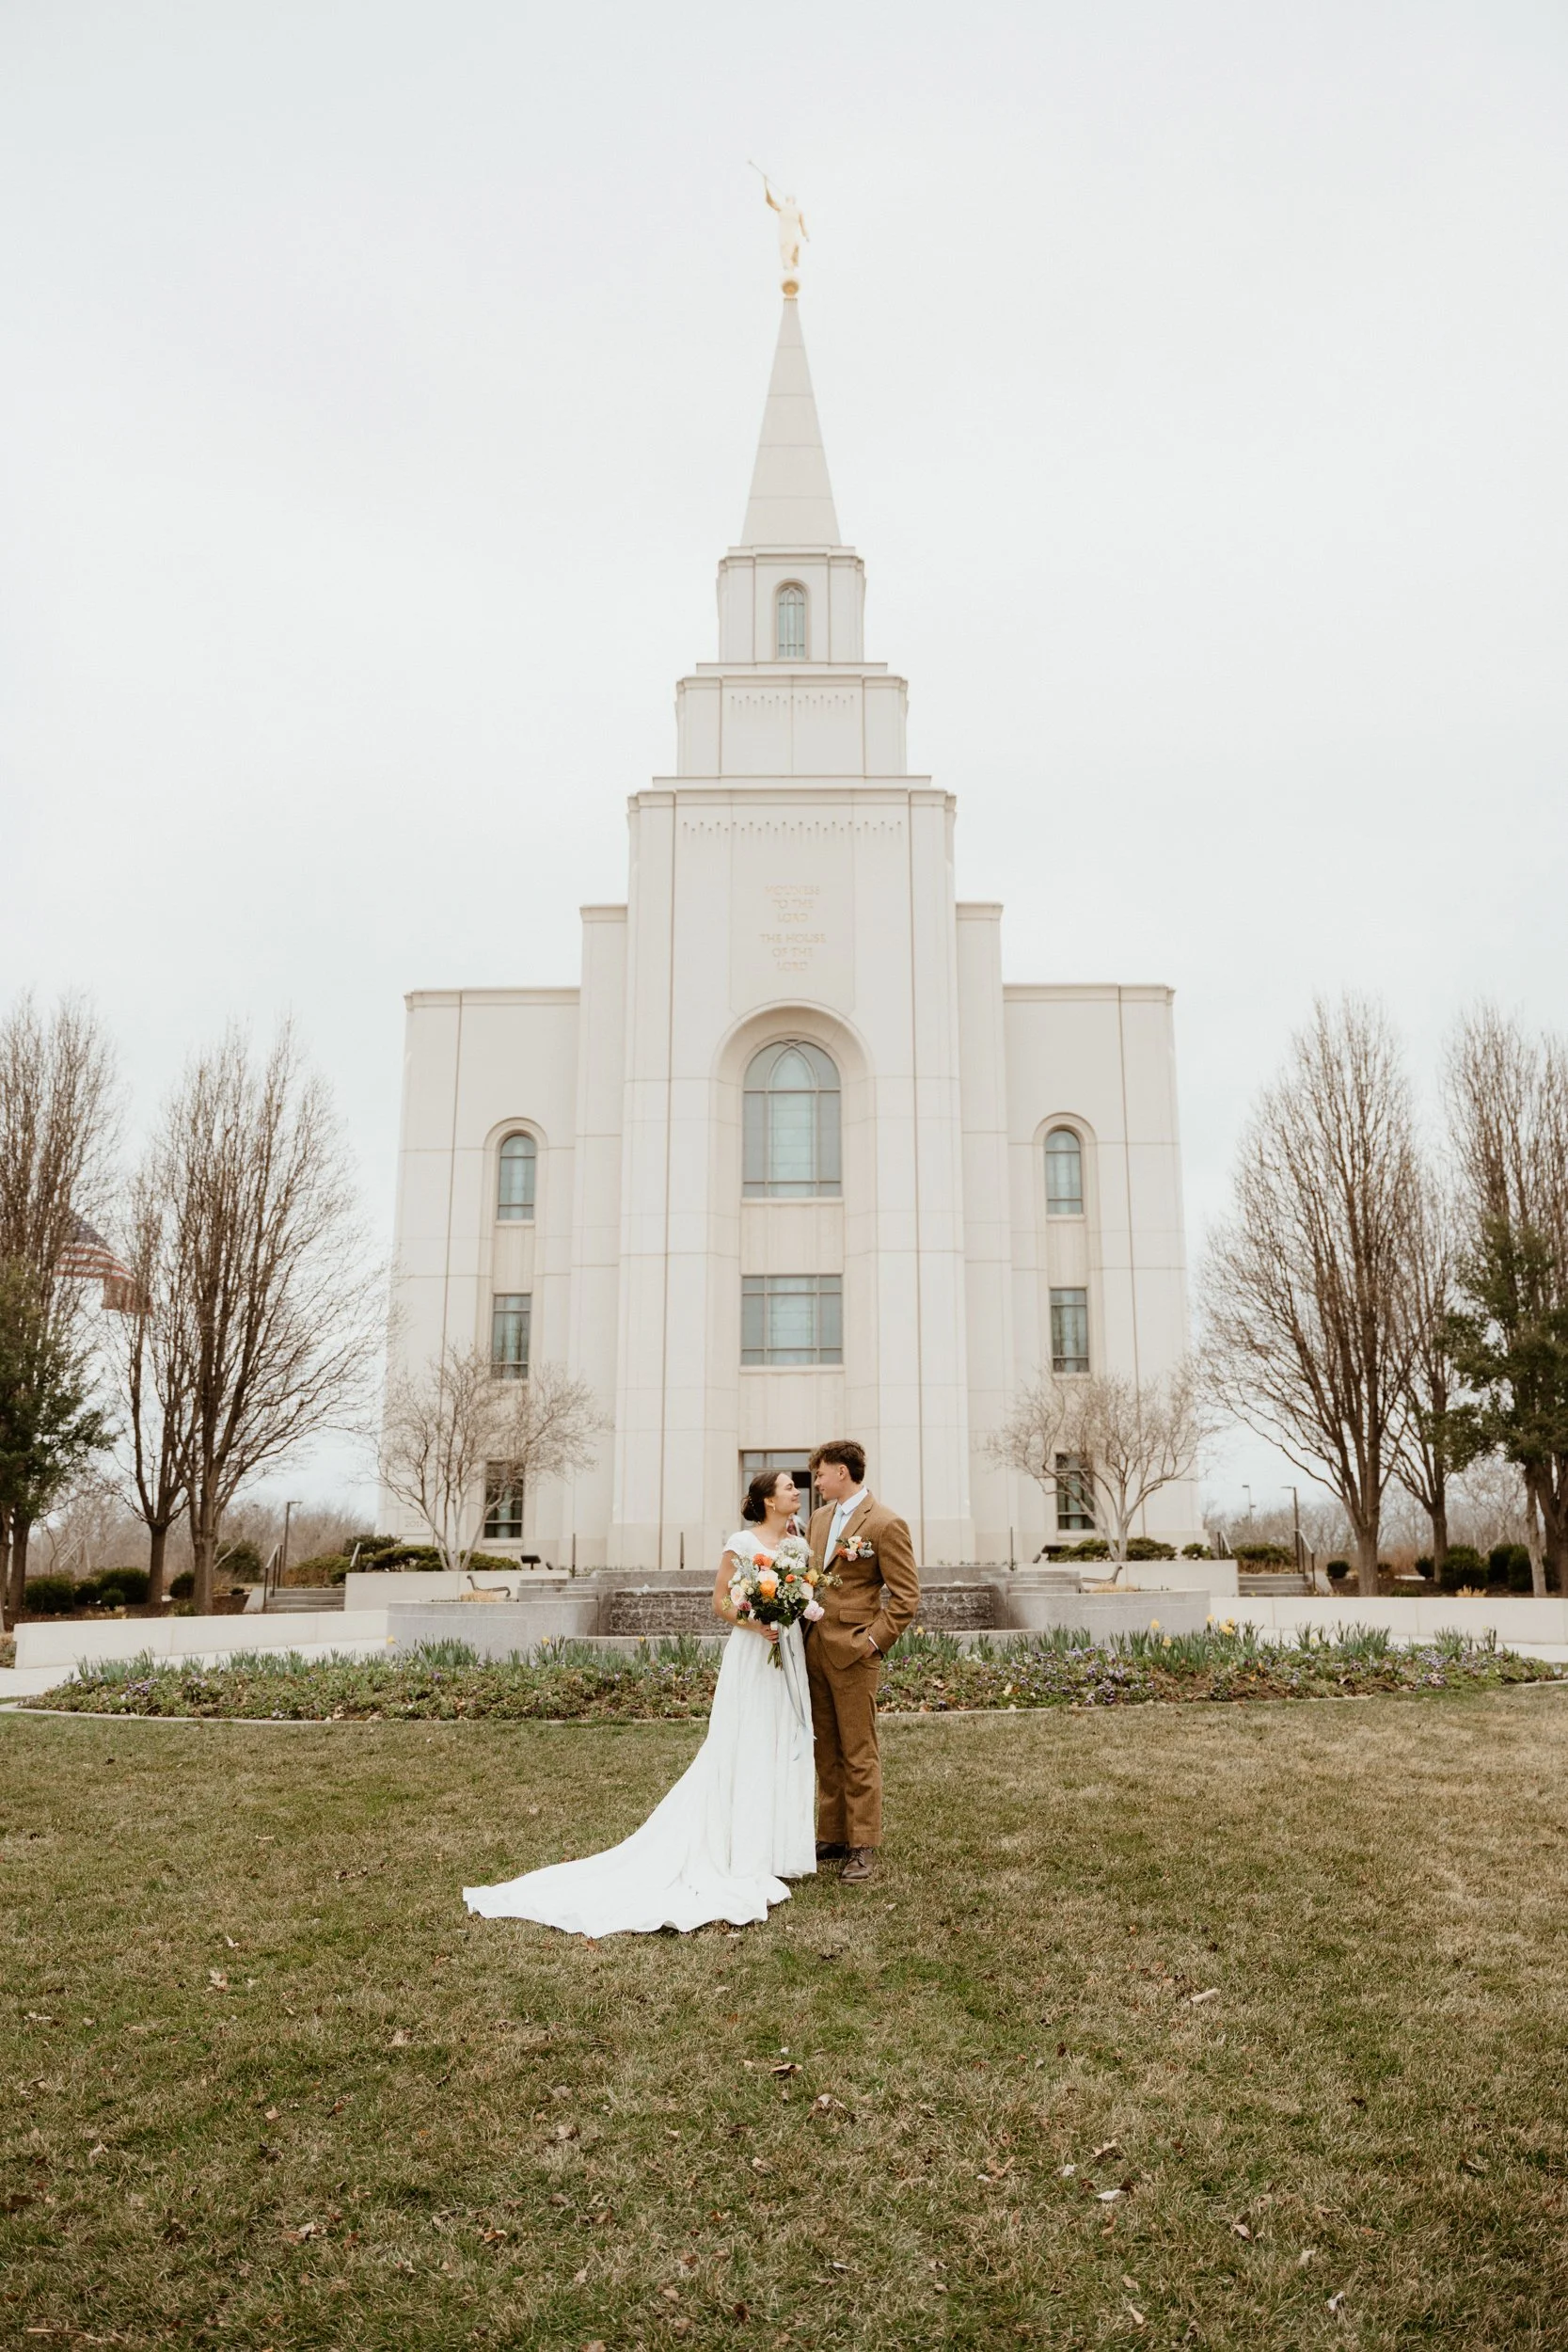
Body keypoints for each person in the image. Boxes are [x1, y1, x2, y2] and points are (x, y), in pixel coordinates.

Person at [462, 1470, 816, 1936]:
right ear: (768, 1500)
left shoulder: (799, 1546)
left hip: (788, 1651)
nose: (797, 1492)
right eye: (789, 1486)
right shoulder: (742, 1544)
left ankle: (774, 1847)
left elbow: (805, 1593)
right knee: (746, 1742)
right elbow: (720, 1603)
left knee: (781, 1739)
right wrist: (756, 1624)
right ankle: (738, 1849)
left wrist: (795, 1609)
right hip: (753, 1654)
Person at [803, 1439, 921, 1885]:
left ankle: (863, 1845)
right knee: (825, 1748)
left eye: (820, 1473)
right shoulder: (817, 1519)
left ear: (842, 1472)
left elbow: (906, 1597)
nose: (815, 1482)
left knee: (859, 1751)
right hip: (813, 1647)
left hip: (855, 1651)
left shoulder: (886, 1523)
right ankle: (832, 1835)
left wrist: (873, 1641)